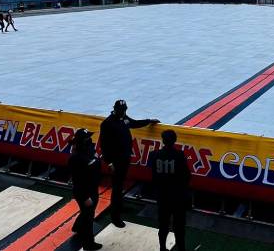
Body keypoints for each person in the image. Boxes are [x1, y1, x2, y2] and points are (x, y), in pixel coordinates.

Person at [99, 99, 160, 227]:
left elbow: (133, 123)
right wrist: (109, 162)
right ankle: (115, 217)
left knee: (121, 185)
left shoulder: (123, 118)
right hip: (115, 160)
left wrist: (148, 121)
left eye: (125, 110)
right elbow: (104, 145)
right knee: (116, 188)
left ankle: (120, 206)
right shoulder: (107, 123)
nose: (124, 112)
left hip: (124, 158)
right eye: (122, 110)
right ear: (115, 109)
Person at [149, 129, 191, 251]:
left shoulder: (154, 155)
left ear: (163, 141)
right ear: (175, 141)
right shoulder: (179, 155)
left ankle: (162, 247)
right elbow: (187, 176)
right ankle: (181, 249)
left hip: (162, 196)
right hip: (177, 196)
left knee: (163, 225)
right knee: (179, 227)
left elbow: (153, 175)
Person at [68, 128, 103, 250]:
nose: (90, 140)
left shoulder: (89, 150)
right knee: (88, 217)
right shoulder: (76, 158)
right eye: (87, 138)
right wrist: (85, 197)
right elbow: (77, 181)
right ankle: (89, 244)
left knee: (88, 212)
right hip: (85, 192)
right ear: (83, 141)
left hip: (93, 188)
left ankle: (77, 227)